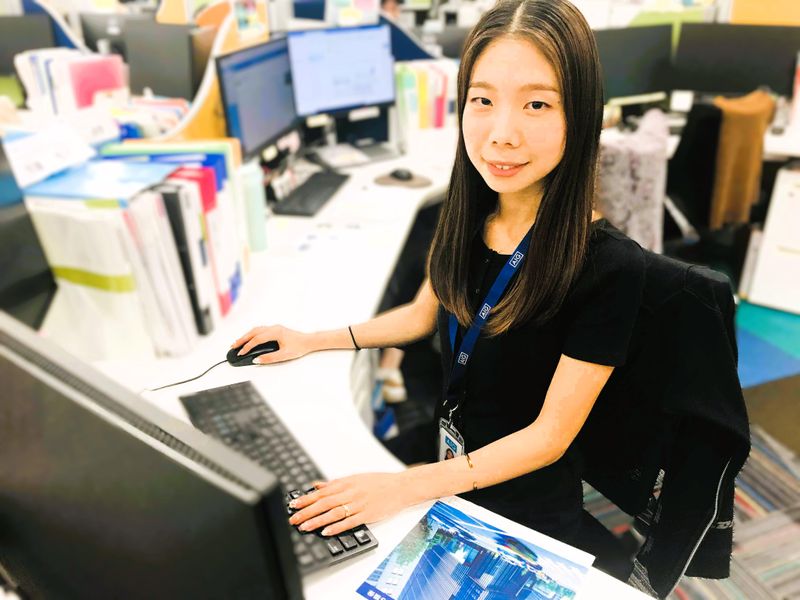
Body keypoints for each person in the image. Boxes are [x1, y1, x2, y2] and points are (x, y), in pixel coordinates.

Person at [232, 0, 642, 579]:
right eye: (483, 100)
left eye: (537, 104)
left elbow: (549, 437)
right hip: (446, 471)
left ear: (582, 114)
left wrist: (408, 485)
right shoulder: (473, 213)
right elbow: (425, 313)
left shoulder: (610, 267)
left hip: (521, 512)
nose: (501, 134)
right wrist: (312, 339)